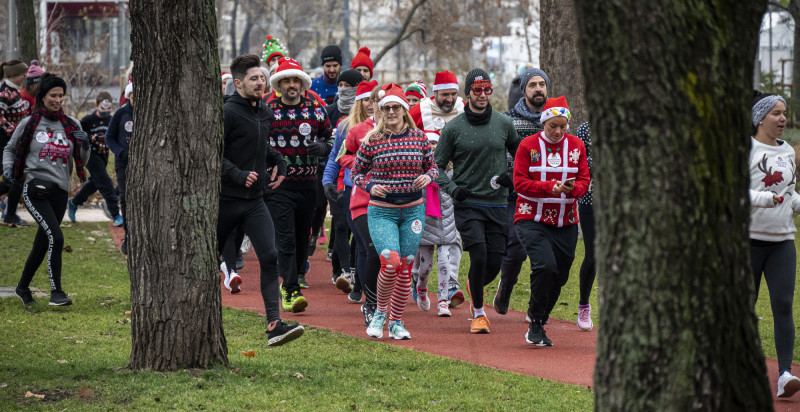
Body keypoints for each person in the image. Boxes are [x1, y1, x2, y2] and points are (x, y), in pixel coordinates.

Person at [217, 54, 303, 346]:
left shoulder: (264, 112)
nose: (261, 82)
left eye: (263, 77)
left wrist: (278, 158)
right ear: (238, 83)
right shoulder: (227, 112)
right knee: (205, 262)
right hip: (225, 200)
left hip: (255, 200)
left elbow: (257, 146)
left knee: (270, 255)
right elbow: (211, 154)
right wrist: (237, 174)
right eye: (254, 78)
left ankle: (274, 324)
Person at [434, 68, 520, 334]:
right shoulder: (453, 128)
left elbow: (523, 156)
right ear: (468, 92)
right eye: (477, 90)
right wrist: (452, 188)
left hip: (497, 202)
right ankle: (479, 314)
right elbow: (434, 167)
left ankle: (475, 285)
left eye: (487, 90)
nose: (482, 95)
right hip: (468, 202)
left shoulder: (504, 124)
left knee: (494, 261)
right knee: (479, 254)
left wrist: (511, 176)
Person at [352, 83, 438, 340]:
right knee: (390, 262)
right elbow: (356, 172)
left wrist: (428, 178)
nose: (391, 112)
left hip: (413, 212)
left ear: (404, 110)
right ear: (381, 111)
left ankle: (397, 321)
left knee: (406, 264)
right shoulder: (372, 140)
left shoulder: (419, 138)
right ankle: (379, 314)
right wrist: (370, 185)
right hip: (382, 212)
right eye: (386, 108)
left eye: (396, 107)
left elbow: (433, 168)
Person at [3, 73, 90, 306]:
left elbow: (81, 159)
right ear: (42, 97)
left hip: (60, 191)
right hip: (35, 189)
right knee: (56, 237)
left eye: (61, 95)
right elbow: (10, 149)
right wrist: (9, 169)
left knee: (43, 242)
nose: (58, 100)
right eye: (53, 95)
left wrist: (85, 144)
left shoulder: (72, 125)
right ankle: (56, 293)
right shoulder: (29, 123)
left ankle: (22, 288)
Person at [513, 96, 589, 346]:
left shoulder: (577, 146)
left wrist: (572, 189)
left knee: (561, 274)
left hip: (565, 220)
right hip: (531, 217)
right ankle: (535, 323)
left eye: (562, 126)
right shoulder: (527, 145)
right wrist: (549, 188)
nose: (557, 131)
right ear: (543, 123)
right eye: (552, 126)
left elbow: (584, 181)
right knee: (545, 266)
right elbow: (519, 183)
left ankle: (541, 318)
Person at [266, 57, 333, 313]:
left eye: (295, 80)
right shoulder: (268, 108)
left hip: (308, 183)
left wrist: (323, 147)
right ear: (279, 84)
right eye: (286, 81)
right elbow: (258, 140)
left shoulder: (316, 108)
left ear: (302, 83)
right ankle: (290, 289)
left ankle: (294, 277)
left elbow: (330, 138)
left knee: (302, 239)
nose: (291, 85)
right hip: (279, 185)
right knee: (285, 238)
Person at [748, 92, 800, 397]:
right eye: (776, 114)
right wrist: (766, 199)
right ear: (760, 118)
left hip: (783, 242)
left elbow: (791, 195)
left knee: (783, 305)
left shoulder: (788, 153)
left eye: (784, 113)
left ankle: (784, 376)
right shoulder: (747, 150)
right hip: (749, 243)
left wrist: (794, 202)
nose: (782, 118)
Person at [408, 70, 467, 306]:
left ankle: (451, 284)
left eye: (453, 94)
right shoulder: (419, 110)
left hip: (457, 180)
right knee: (421, 238)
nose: (450, 99)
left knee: (453, 235)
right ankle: (417, 278)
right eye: (445, 95)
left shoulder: (464, 110)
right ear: (434, 93)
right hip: (424, 181)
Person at [494, 68, 550, 315]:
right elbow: (500, 154)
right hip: (516, 196)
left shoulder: (557, 120)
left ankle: (536, 309)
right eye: (533, 85)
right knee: (515, 249)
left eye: (542, 84)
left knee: (548, 257)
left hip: (549, 196)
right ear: (524, 90)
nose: (538, 89)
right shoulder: (508, 120)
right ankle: (506, 286)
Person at [323, 79, 378, 302]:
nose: (371, 105)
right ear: (358, 103)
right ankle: (362, 288)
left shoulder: (387, 127)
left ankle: (364, 284)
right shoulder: (347, 127)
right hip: (352, 190)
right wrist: (327, 181)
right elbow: (335, 157)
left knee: (368, 242)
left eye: (374, 100)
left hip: (380, 191)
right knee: (362, 240)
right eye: (366, 100)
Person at [411, 130, 462, 317]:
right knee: (425, 266)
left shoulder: (452, 172)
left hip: (446, 224)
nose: (432, 147)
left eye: (436, 143)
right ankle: (421, 289)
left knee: (444, 263)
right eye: (429, 143)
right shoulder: (417, 173)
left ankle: (443, 301)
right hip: (425, 224)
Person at [68, 91, 123, 226]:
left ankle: (74, 202)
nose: (105, 111)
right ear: (96, 105)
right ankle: (115, 215)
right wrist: (89, 138)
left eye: (108, 108)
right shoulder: (87, 120)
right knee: (106, 184)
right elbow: (75, 133)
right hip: (90, 155)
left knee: (94, 183)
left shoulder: (111, 120)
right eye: (102, 108)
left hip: (103, 155)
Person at [0, 59, 31, 227]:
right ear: (13, 75)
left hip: (16, 141)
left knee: (17, 178)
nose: (24, 77)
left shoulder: (14, 90)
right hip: (7, 142)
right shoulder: (5, 92)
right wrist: (12, 131)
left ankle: (9, 213)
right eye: (22, 74)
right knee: (13, 178)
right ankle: (9, 214)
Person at [106, 82, 134, 255]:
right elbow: (109, 138)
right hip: (124, 163)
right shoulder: (121, 114)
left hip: (145, 165)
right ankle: (128, 236)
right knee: (125, 198)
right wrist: (121, 153)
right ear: (129, 96)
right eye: (133, 96)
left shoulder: (149, 114)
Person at [575, 122, 595, 331]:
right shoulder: (585, 129)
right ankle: (584, 304)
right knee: (594, 255)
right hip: (591, 201)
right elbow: (579, 163)